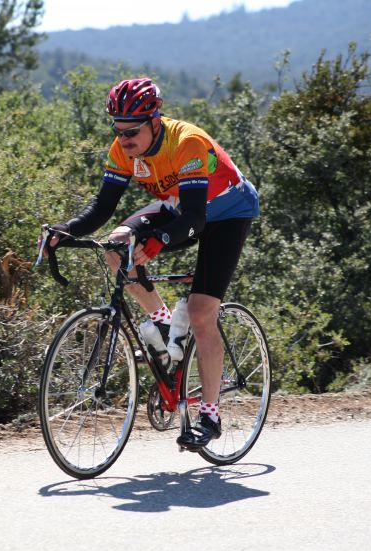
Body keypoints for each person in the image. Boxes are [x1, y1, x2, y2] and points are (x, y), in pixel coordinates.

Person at [44, 77, 260, 450]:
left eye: (132, 131)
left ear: (155, 122)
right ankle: (162, 325)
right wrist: (64, 230)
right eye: (118, 130)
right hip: (182, 207)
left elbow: (194, 217)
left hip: (227, 213)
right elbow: (102, 208)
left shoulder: (187, 143)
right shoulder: (122, 149)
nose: (124, 139)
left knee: (200, 312)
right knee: (116, 244)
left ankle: (209, 414)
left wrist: (158, 240)